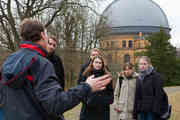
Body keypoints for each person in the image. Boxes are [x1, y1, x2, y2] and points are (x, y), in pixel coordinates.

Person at [0, 18, 112, 120]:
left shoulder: (8, 61)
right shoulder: (41, 63)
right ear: (43, 35)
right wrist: (86, 87)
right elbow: (55, 104)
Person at [78, 55, 114, 120]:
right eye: (96, 62)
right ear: (92, 63)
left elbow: (111, 96)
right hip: (88, 111)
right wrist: (87, 101)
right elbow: (81, 92)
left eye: (100, 63)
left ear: (102, 65)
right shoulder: (86, 75)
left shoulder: (107, 77)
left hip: (102, 112)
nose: (98, 64)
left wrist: (102, 100)